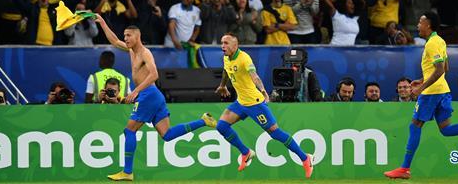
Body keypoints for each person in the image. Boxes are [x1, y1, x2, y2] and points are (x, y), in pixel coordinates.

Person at [94, 15, 216, 181]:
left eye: (128, 36)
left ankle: (127, 172)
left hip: (148, 94)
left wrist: (136, 91)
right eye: (125, 36)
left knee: (129, 131)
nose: (125, 39)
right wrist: (102, 22)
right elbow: (114, 41)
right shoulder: (131, 51)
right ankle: (203, 121)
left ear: (138, 36)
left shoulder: (145, 53)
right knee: (167, 135)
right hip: (154, 95)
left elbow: (154, 75)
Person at [385, 12, 458, 179]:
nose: (418, 25)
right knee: (446, 129)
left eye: (420, 22)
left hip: (431, 92)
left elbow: (441, 69)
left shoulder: (432, 44)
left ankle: (404, 168)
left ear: (429, 25)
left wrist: (422, 88)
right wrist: (421, 80)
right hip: (443, 91)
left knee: (415, 125)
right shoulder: (440, 40)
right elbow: (445, 68)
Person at [214, 33, 314, 178]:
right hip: (240, 102)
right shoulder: (226, 58)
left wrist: (263, 91)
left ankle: (305, 158)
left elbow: (254, 76)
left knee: (275, 133)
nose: (223, 46)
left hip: (255, 103)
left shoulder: (244, 58)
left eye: (226, 43)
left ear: (235, 46)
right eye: (222, 43)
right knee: (221, 126)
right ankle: (246, 153)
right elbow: (226, 70)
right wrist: (222, 85)